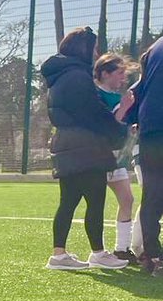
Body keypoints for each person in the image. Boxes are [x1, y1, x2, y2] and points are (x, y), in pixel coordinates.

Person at [41, 28, 130, 273]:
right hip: (86, 148)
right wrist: (119, 131)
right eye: (93, 48)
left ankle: (59, 254)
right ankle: (99, 253)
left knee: (68, 201)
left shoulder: (60, 78)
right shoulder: (78, 77)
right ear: (83, 49)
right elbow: (95, 113)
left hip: (66, 145)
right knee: (95, 200)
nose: (95, 53)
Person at [119, 34, 163, 276]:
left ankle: (152, 256)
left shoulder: (154, 49)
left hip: (152, 129)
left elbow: (140, 88)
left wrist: (135, 118)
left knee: (153, 194)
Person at [94, 53, 140, 261]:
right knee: (94, 202)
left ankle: (122, 248)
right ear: (105, 73)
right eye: (119, 73)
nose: (123, 78)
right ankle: (97, 252)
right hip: (97, 157)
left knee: (127, 199)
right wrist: (122, 108)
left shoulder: (120, 96)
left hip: (116, 158)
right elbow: (107, 126)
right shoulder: (95, 95)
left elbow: (121, 127)